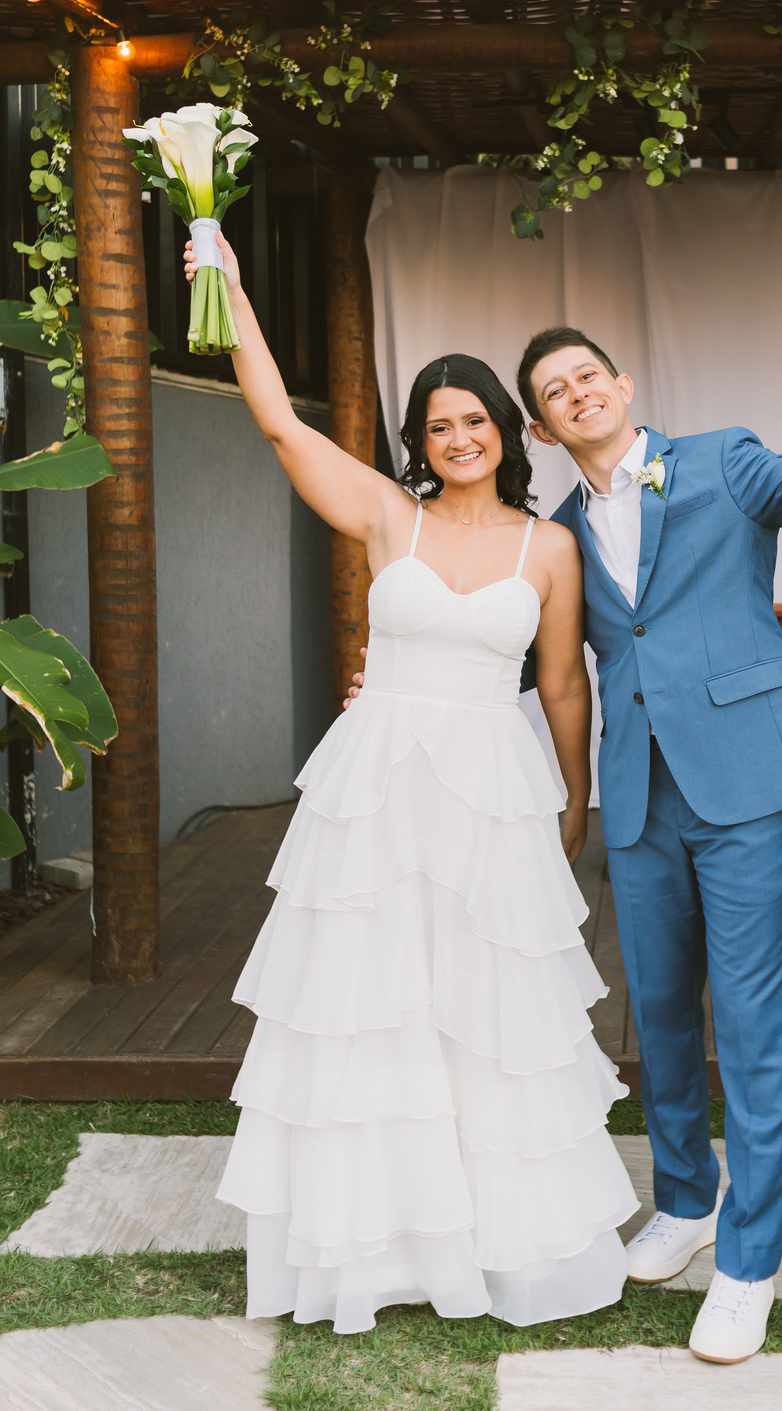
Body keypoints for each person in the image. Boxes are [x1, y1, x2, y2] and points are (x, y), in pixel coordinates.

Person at [355, 324, 782, 1362]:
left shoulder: (727, 460)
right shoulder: (553, 535)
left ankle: (749, 1262)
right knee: (659, 1014)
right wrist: (390, 685)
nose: (577, 395)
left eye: (587, 377)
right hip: (639, 794)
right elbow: (520, 652)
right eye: (554, 392)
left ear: (622, 385)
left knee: (750, 1022)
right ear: (542, 428)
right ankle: (686, 1202)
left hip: (744, 782)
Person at [194, 232, 638, 1336]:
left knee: (486, 1010)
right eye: (439, 425)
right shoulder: (389, 515)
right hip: (379, 788)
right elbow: (279, 423)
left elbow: (564, 686)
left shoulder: (548, 548)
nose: (460, 438)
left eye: (476, 419)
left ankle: (493, 1238)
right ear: (419, 441)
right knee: (373, 1004)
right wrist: (234, 290)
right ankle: (377, 1244)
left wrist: (573, 799)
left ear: (508, 431)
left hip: (491, 790)